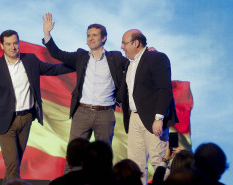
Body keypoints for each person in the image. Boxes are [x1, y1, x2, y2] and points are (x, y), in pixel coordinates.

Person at [0, 29, 74, 184]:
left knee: (14, 165)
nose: (12, 47)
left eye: (15, 43)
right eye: (8, 44)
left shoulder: (30, 60)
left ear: (19, 43)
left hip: (26, 119)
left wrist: (79, 63)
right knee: (12, 164)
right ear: (2, 45)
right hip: (5, 122)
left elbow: (54, 70)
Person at [42, 13, 126, 166]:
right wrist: (47, 34)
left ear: (104, 38)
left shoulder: (116, 57)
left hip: (105, 114)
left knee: (103, 158)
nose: (90, 38)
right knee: (74, 155)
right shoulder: (80, 56)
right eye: (88, 35)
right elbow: (57, 53)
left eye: (94, 35)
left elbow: (133, 67)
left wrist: (147, 53)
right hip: (82, 112)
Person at [119, 29, 178, 184]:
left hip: (154, 119)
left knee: (160, 160)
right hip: (134, 118)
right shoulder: (128, 63)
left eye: (125, 43)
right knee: (135, 165)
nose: (121, 47)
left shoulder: (157, 58)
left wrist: (159, 118)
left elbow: (164, 89)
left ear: (136, 43)